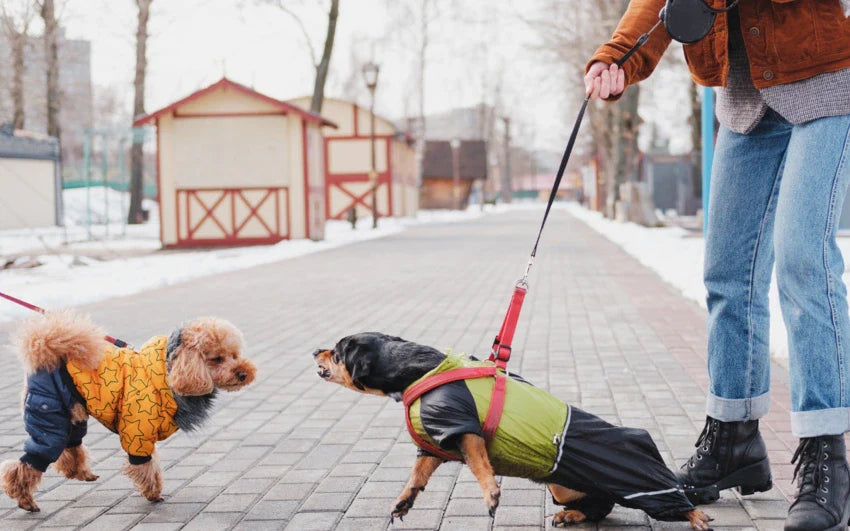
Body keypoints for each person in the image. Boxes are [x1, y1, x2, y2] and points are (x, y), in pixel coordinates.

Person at [585, 1, 850, 529]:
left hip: (824, 80)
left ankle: (826, 455)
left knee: (803, 257)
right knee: (728, 274)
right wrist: (618, 58)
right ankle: (733, 438)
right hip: (744, 99)